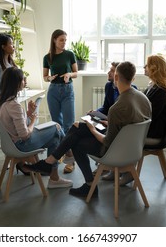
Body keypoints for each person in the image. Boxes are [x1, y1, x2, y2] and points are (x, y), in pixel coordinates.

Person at [26, 61, 152, 197]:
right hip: (134, 150)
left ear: (116, 77)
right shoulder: (144, 99)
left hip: (116, 152)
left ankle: (86, 183)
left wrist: (92, 129)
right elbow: (130, 124)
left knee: (77, 142)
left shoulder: (117, 107)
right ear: (133, 78)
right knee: (78, 127)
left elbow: (106, 141)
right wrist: (108, 123)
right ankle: (51, 161)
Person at [0, 67, 73, 189]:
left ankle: (55, 176)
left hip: (11, 144)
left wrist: (29, 114)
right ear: (16, 83)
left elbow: (15, 126)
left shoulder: (1, 101)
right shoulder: (14, 105)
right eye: (23, 79)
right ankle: (68, 156)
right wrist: (33, 121)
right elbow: (24, 135)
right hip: (21, 145)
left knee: (55, 139)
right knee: (56, 128)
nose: (25, 82)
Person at [43, 29, 78, 173]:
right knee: (57, 125)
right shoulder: (47, 57)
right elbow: (44, 76)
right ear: (54, 40)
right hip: (53, 91)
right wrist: (49, 78)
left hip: (67, 90)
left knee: (69, 125)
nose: (64, 43)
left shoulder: (70, 54)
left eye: (65, 40)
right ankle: (56, 158)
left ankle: (71, 160)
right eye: (61, 40)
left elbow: (76, 73)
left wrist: (69, 74)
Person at [143, 54, 166, 145]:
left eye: (147, 65)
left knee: (120, 135)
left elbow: (150, 114)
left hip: (153, 132)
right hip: (149, 128)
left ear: (155, 68)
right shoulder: (153, 85)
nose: (144, 67)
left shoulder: (161, 90)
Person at [0, 33, 17, 107]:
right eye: (11, 43)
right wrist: (9, 89)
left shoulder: (10, 62)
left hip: (10, 98)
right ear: (3, 47)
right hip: (0, 100)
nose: (13, 46)